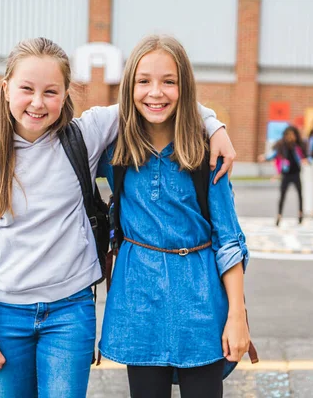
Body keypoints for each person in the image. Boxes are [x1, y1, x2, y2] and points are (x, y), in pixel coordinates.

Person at [0, 37, 236, 398]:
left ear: (66, 94)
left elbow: (154, 100)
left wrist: (214, 126)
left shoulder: (85, 136)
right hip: (7, 313)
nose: (38, 102)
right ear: (6, 88)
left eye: (51, 91)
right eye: (27, 89)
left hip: (70, 313)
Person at [96, 35, 250, 398]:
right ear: (129, 86)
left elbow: (229, 241)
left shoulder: (207, 154)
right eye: (144, 81)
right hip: (139, 304)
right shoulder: (113, 152)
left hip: (201, 306)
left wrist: (237, 316)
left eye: (169, 81)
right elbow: (51, 139)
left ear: (185, 87)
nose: (156, 92)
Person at [258, 125, 307, 226]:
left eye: (292, 135)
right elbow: (274, 154)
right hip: (286, 174)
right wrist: (265, 158)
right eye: (288, 135)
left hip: (296, 173)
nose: (290, 137)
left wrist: (304, 160)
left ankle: (300, 213)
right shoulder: (282, 146)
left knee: (300, 194)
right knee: (282, 195)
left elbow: (303, 156)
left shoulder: (298, 146)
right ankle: (279, 215)